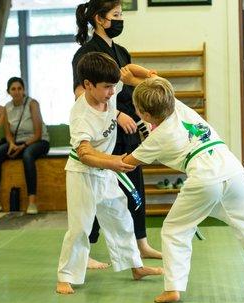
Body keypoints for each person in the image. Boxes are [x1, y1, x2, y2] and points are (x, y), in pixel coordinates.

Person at [119, 77, 244, 303]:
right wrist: (131, 78)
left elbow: (125, 163)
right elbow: (152, 78)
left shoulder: (156, 139)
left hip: (204, 179)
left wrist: (88, 155)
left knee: (174, 229)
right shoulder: (179, 107)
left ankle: (173, 288)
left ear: (145, 115)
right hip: (233, 171)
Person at [55, 52, 163, 295]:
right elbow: (84, 153)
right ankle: (65, 276)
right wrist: (115, 162)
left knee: (121, 219)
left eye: (114, 86)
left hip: (106, 171)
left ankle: (135, 266)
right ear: (87, 86)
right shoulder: (80, 114)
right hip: (82, 173)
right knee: (80, 227)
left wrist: (148, 75)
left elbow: (129, 70)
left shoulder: (107, 91)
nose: (113, 92)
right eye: (107, 88)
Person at [73, 0, 161, 268]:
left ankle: (141, 243)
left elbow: (128, 79)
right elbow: (80, 94)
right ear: (100, 19)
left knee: (134, 185)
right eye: (116, 15)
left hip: (129, 128)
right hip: (105, 131)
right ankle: (84, 251)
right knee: (99, 192)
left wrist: (147, 82)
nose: (120, 20)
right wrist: (114, 113)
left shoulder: (121, 51)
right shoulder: (86, 54)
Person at [0, 77, 50, 215]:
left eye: (19, 88)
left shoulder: (32, 104)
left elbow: (38, 134)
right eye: (13, 89)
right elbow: (8, 132)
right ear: (8, 92)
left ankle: (32, 202)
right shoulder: (7, 107)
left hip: (38, 142)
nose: (17, 92)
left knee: (28, 156)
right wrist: (11, 144)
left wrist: (22, 147)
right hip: (17, 142)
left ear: (24, 90)